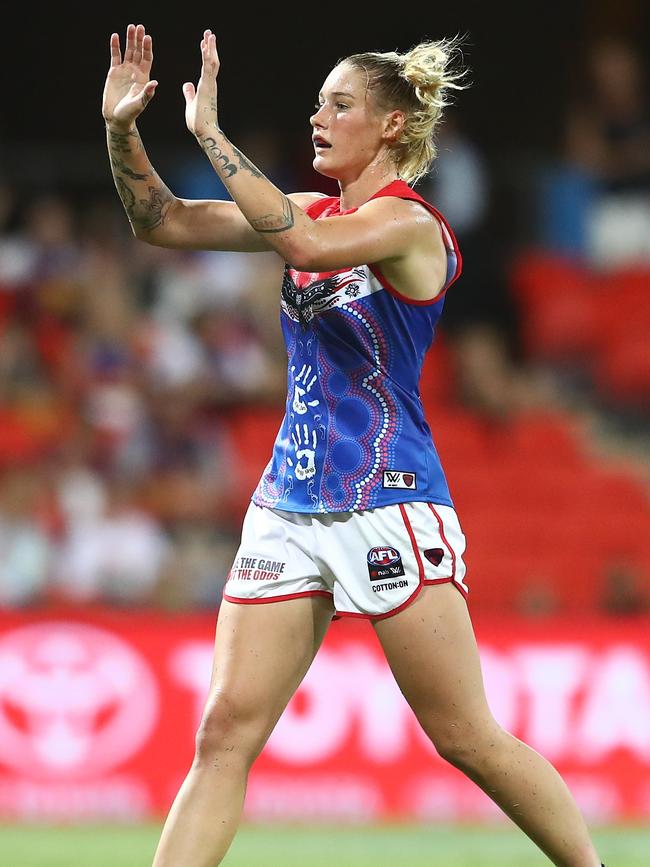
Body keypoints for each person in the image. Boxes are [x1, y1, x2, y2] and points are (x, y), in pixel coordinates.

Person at [102, 23, 604, 867]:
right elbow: (162, 222)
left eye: (341, 104)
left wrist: (212, 136)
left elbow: (304, 248)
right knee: (223, 731)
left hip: (390, 500)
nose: (318, 117)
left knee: (466, 737)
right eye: (317, 103)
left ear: (393, 126)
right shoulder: (305, 208)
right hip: (287, 506)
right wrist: (121, 128)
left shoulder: (410, 227)